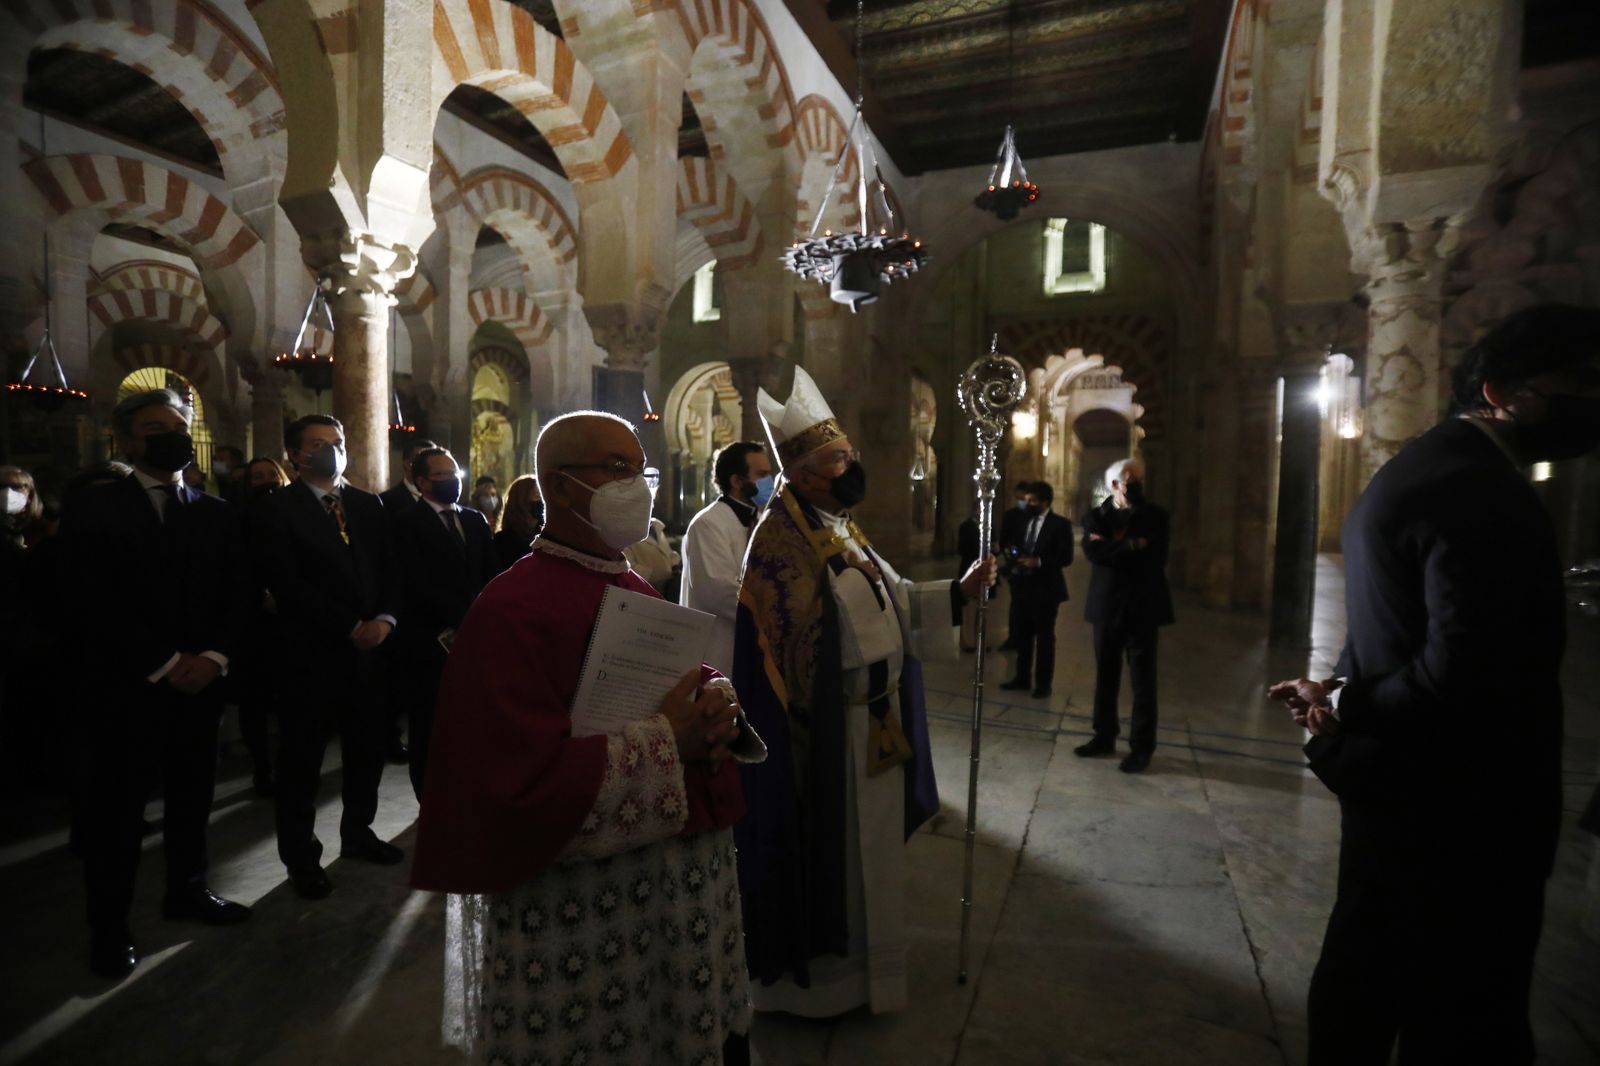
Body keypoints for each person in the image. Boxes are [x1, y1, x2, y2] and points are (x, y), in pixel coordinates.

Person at [1268, 304, 1600, 1065]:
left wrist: (1337, 691)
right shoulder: (1476, 489)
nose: (1592, 399)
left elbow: (1399, 629)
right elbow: (1464, 676)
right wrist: (1346, 700)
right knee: (1460, 1010)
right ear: (1502, 391)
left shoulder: (1418, 469)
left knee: (1367, 973)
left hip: (1406, 788)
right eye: (1578, 382)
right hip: (1461, 807)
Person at [412, 411, 763, 1066]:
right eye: (617, 469)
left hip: (671, 889)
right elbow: (512, 786)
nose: (639, 485)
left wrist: (716, 703)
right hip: (583, 911)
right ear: (563, 485)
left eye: (641, 470)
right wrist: (669, 740)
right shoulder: (510, 608)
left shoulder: (626, 581)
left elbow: (674, 683)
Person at [733, 366, 994, 1017]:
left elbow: (897, 598)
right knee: (836, 856)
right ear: (801, 471)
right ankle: (824, 993)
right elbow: (782, 642)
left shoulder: (844, 526)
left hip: (876, 720)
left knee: (872, 854)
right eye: (838, 458)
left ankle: (874, 977)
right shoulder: (779, 544)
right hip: (828, 732)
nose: (852, 466)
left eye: (849, 454)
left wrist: (957, 593)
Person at [60, 390, 253, 979]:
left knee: (193, 798)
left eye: (177, 426)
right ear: (125, 440)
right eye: (153, 427)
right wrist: (169, 662)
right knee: (117, 814)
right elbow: (93, 602)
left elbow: (238, 594)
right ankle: (110, 927)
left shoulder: (215, 512)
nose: (168, 435)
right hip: (130, 687)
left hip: (202, 684)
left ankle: (187, 891)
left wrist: (215, 656)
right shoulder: (96, 509)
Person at [259, 415, 404, 900]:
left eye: (337, 443)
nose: (331, 451)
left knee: (366, 752)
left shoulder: (367, 505)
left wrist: (384, 618)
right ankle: (301, 858)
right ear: (295, 455)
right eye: (318, 444)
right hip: (310, 655)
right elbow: (287, 581)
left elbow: (390, 570)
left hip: (371, 654)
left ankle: (358, 833)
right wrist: (348, 626)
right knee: (302, 762)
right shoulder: (277, 509)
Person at [392, 446, 502, 800]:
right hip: (430, 639)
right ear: (422, 481)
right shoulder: (406, 523)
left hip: (476, 638)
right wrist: (460, 616)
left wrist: (483, 616)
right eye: (442, 476)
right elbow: (414, 582)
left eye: (455, 473)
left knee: (472, 722)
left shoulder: (473, 520)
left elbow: (491, 574)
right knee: (428, 725)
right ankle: (429, 800)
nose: (452, 481)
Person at [1074, 458, 1173, 774]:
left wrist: (1116, 548)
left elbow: (1157, 557)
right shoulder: (1096, 516)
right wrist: (1133, 545)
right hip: (1106, 606)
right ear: (1115, 484)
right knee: (1106, 675)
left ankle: (1142, 747)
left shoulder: (1155, 516)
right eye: (1132, 479)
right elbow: (1094, 554)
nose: (1138, 484)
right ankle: (1104, 736)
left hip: (1143, 606)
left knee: (1144, 680)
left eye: (1141, 478)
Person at [680, 441, 772, 674]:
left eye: (769, 474)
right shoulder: (708, 524)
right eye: (761, 475)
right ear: (737, 481)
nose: (769, 483)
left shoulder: (763, 521)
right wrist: (776, 608)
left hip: (755, 645)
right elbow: (719, 592)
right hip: (721, 650)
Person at [234, 457, 293, 796]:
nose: (267, 481)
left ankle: (286, 764)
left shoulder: (296, 513)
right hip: (254, 624)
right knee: (254, 701)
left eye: (272, 474)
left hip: (290, 619)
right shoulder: (239, 518)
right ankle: (261, 767)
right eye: (258, 477)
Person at [998, 480, 1073, 699]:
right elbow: (1012, 544)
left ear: (1045, 502)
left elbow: (1065, 556)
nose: (1027, 504)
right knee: (1022, 634)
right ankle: (1022, 677)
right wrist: (1013, 555)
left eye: (1032, 501)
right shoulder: (1023, 522)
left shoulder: (1060, 525)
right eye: (1025, 500)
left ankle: (1043, 683)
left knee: (1044, 637)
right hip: (1022, 586)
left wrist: (1039, 561)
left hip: (1046, 588)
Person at [995, 480, 1033, 651]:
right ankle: (1014, 637)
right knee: (1016, 603)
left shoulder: (1035, 515)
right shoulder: (1010, 515)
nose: (1021, 500)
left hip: (1033, 565)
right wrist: (1010, 556)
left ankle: (1028, 636)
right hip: (1015, 566)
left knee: (1029, 604)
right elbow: (1004, 540)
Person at [492, 474, 542, 570]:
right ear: (522, 501)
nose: (542, 501)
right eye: (537, 496)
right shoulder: (504, 540)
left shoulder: (545, 535)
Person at [379, 438, 438, 515]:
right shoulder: (386, 500)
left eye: (435, 462)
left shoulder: (443, 497)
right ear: (408, 464)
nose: (433, 467)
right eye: (425, 462)